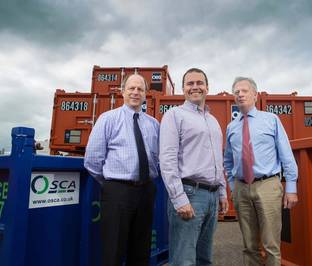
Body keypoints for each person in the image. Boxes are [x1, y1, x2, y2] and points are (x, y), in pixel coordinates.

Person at [84, 73, 159, 266]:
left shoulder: (153, 124)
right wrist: (111, 183)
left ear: (146, 94)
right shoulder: (108, 119)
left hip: (146, 191)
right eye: (131, 88)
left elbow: (156, 158)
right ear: (122, 91)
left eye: (140, 89)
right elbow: (92, 160)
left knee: (141, 251)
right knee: (113, 251)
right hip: (117, 191)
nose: (135, 92)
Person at [224, 77, 298, 266]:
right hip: (242, 188)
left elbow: (286, 155)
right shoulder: (231, 127)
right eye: (236, 92)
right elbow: (228, 161)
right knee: (249, 246)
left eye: (244, 91)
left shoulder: (271, 120)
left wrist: (291, 187)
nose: (240, 94)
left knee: (271, 245)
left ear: (255, 95)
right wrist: (233, 187)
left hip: (268, 186)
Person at [159, 68, 229, 265]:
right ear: (183, 89)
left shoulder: (213, 121)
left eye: (199, 83)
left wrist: (222, 193)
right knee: (184, 260)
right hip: (189, 194)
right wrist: (179, 198)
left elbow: (218, 160)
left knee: (204, 259)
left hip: (212, 196)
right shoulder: (174, 116)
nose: (195, 87)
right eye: (190, 83)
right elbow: (167, 159)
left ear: (207, 87)